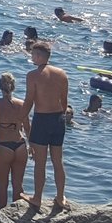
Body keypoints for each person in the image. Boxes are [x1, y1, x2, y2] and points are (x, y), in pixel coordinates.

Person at [26, 41, 70, 211]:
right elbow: (64, 101)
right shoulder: (62, 73)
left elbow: (30, 101)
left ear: (38, 56)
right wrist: (60, 115)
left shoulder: (33, 75)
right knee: (58, 161)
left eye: (33, 55)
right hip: (58, 119)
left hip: (42, 119)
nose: (31, 57)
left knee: (40, 163)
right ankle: (60, 197)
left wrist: (20, 117)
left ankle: (37, 198)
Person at [0, 72, 31, 207]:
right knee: (18, 185)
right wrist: (32, 146)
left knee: (2, 186)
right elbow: (27, 127)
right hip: (21, 146)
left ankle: (2, 216)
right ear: (14, 87)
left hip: (3, 147)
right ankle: (17, 214)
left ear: (0, 87)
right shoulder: (22, 104)